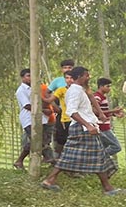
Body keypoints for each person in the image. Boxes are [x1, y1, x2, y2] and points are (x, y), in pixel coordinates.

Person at [41, 67, 120, 195]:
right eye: (86, 75)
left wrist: (100, 113)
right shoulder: (74, 92)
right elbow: (71, 111)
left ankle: (50, 180)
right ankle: (108, 188)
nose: (89, 77)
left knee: (80, 155)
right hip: (82, 127)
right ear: (79, 77)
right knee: (96, 155)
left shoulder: (81, 89)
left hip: (84, 126)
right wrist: (88, 126)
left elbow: (91, 96)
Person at [13, 68, 54, 169]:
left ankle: (19, 161)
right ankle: (50, 158)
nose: (31, 78)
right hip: (29, 118)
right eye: (28, 76)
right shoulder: (21, 91)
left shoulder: (35, 88)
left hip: (41, 118)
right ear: (22, 78)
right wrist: (44, 110)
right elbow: (27, 106)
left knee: (35, 140)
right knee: (38, 139)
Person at [93, 78, 123, 156]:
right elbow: (95, 112)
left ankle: (100, 162)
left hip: (105, 125)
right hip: (102, 127)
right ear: (101, 86)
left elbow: (103, 113)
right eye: (108, 86)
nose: (109, 88)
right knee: (116, 146)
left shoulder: (103, 97)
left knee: (103, 147)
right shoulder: (97, 97)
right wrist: (113, 111)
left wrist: (114, 114)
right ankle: (99, 157)